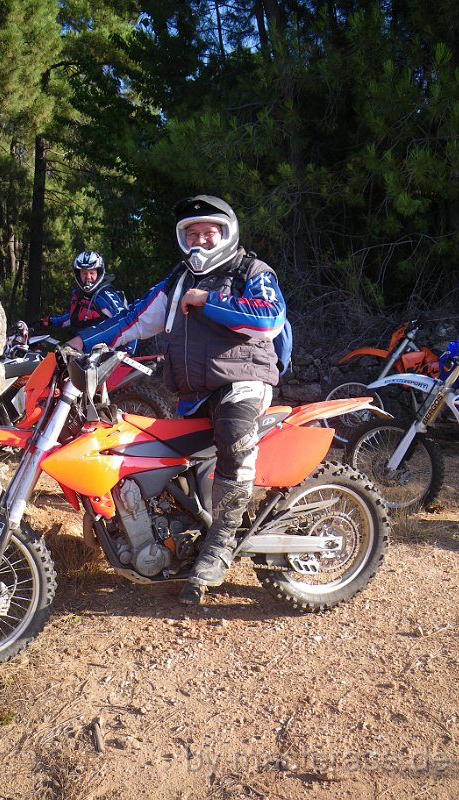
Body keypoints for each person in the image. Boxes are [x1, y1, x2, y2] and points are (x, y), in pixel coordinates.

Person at [66, 196, 287, 606]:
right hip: (193, 393)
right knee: (170, 464)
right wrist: (78, 343)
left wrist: (209, 300)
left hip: (243, 381)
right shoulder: (178, 279)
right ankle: (178, 538)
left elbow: (270, 317)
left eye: (209, 232)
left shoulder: (250, 270)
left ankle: (220, 545)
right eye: (192, 233)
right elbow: (133, 319)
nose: (200, 240)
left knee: (233, 441)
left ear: (227, 233)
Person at [41, 250, 137, 353]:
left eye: (92, 273)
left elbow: (128, 321)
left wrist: (127, 352)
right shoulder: (78, 293)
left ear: (99, 272)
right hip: (79, 350)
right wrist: (50, 321)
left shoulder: (105, 295)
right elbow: (73, 316)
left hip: (103, 354)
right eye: (84, 273)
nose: (88, 277)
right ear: (78, 274)